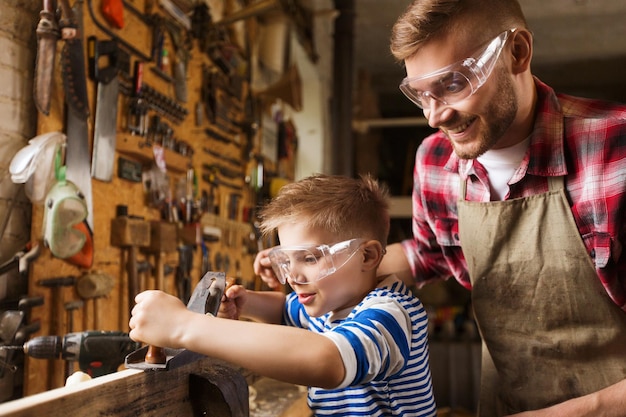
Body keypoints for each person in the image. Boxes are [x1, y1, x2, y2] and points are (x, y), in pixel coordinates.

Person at [254, 1, 626, 416]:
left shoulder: (616, 150)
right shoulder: (435, 161)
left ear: (518, 52)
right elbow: (429, 256)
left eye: (452, 84)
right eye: (420, 94)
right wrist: (314, 259)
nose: (434, 117)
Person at [129, 173, 437, 417]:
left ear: (367, 257)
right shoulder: (333, 302)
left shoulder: (392, 314)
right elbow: (285, 310)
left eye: (310, 258)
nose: (292, 276)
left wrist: (185, 327)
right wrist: (247, 301)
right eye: (286, 260)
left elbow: (328, 361)